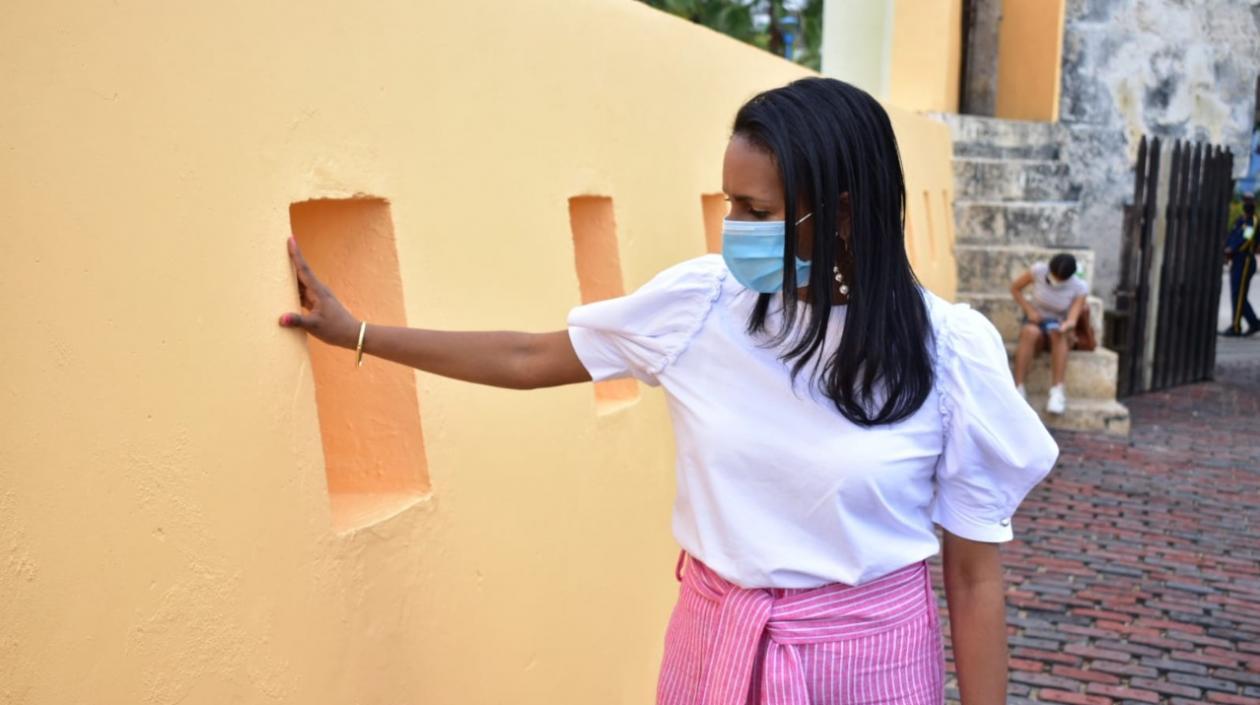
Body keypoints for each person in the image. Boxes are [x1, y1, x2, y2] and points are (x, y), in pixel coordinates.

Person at [279, 78, 1058, 705]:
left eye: (756, 211)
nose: (733, 229)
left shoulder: (946, 353)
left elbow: (973, 573)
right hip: (712, 648)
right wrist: (359, 332)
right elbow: (528, 355)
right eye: (727, 204)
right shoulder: (702, 306)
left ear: (845, 215)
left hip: (866, 664)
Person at [1010, 254, 1089, 415]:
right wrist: (1029, 310)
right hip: (1035, 322)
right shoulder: (1038, 271)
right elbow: (1015, 288)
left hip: (1057, 328)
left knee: (1058, 335)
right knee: (1029, 332)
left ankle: (1057, 391)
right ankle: (1018, 388)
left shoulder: (1079, 287)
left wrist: (1067, 325)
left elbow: (1073, 318)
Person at [1221, 196, 1258, 337]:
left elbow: (1248, 239)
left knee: (1239, 294)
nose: (1246, 204)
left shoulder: (1252, 221)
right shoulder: (1240, 220)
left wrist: (1233, 249)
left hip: (1245, 260)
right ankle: (1254, 323)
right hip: (1236, 260)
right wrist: (1226, 249)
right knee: (1237, 294)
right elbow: (1231, 236)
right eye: (1245, 201)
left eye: (1249, 201)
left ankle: (1236, 327)